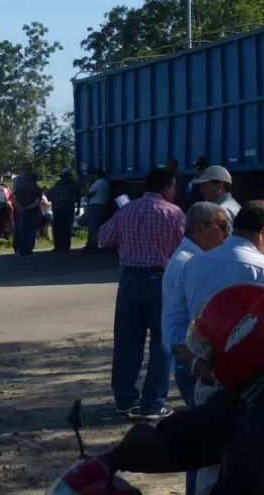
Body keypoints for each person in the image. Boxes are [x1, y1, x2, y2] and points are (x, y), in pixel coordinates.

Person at [96, 284, 264, 495]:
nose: (206, 359)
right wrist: (123, 455)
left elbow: (244, 483)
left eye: (210, 349)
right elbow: (203, 429)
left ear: (242, 346)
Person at [181, 199, 264, 495]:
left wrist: (196, 365)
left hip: (209, 381)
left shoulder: (194, 265)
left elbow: (177, 329)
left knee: (209, 471)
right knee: (254, 471)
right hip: (255, 389)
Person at [99, 167, 185, 420]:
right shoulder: (174, 213)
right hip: (161, 281)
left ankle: (124, 399)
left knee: (126, 343)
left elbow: (104, 238)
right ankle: (153, 403)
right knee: (162, 344)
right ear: (166, 188)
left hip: (129, 281)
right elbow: (185, 248)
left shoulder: (126, 210)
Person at [160, 201, 228, 495]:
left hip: (194, 364)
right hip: (194, 366)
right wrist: (197, 366)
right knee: (204, 444)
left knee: (203, 440)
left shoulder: (193, 258)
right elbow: (174, 329)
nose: (227, 234)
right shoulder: (189, 262)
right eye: (222, 227)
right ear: (200, 228)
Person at [46, 169, 80, 253]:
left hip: (67, 210)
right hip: (57, 210)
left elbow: (78, 197)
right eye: (61, 177)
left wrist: (78, 208)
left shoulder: (73, 186)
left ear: (68, 177)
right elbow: (48, 196)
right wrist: (53, 200)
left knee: (67, 229)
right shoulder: (56, 187)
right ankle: (57, 246)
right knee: (57, 229)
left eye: (64, 177)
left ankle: (65, 247)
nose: (62, 179)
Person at [13, 172, 43, 258]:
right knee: (30, 232)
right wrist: (27, 208)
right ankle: (27, 251)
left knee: (21, 231)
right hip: (31, 212)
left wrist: (19, 207)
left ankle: (19, 250)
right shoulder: (37, 189)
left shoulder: (20, 187)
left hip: (20, 211)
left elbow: (14, 196)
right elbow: (36, 202)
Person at [85, 168, 111, 253]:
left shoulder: (98, 182)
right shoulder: (105, 182)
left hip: (96, 205)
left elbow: (88, 193)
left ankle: (93, 246)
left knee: (93, 227)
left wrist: (88, 182)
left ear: (96, 175)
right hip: (103, 205)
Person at [11, 163, 34, 256]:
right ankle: (18, 249)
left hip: (30, 207)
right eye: (26, 169)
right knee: (21, 229)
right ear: (22, 169)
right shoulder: (18, 179)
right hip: (20, 207)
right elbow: (14, 194)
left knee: (29, 230)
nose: (28, 171)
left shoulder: (32, 179)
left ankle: (28, 249)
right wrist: (18, 206)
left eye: (30, 169)